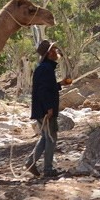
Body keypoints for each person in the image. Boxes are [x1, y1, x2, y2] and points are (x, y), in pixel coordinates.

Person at [26, 40, 72, 178]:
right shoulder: (46, 68)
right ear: (50, 53)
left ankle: (30, 162)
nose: (57, 51)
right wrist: (49, 108)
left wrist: (60, 84)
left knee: (46, 137)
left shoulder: (44, 67)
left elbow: (47, 87)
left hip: (40, 109)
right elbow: (44, 90)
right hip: (45, 110)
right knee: (51, 138)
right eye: (54, 49)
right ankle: (48, 170)